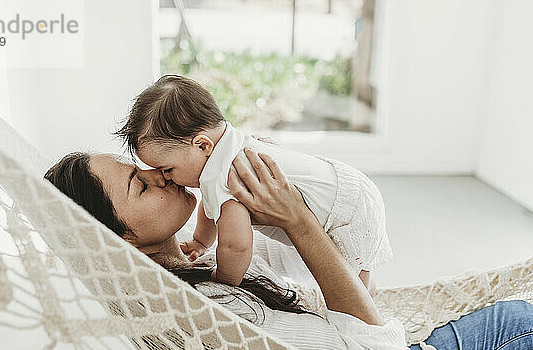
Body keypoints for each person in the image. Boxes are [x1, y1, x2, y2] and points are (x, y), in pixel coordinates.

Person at [44, 149, 533, 350]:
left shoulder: (187, 269)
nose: (157, 173)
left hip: (356, 348)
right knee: (521, 317)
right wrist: (296, 218)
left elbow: (293, 268)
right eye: (140, 185)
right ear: (121, 239)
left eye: (142, 165)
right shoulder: (210, 308)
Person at [114, 75, 390, 293]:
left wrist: (223, 279)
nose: (164, 177)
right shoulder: (230, 146)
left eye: (167, 169)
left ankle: (364, 304)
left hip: (346, 211)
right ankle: (367, 284)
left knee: (348, 280)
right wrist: (200, 240)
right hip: (346, 183)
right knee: (357, 269)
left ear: (201, 145)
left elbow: (237, 245)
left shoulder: (226, 176)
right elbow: (211, 209)